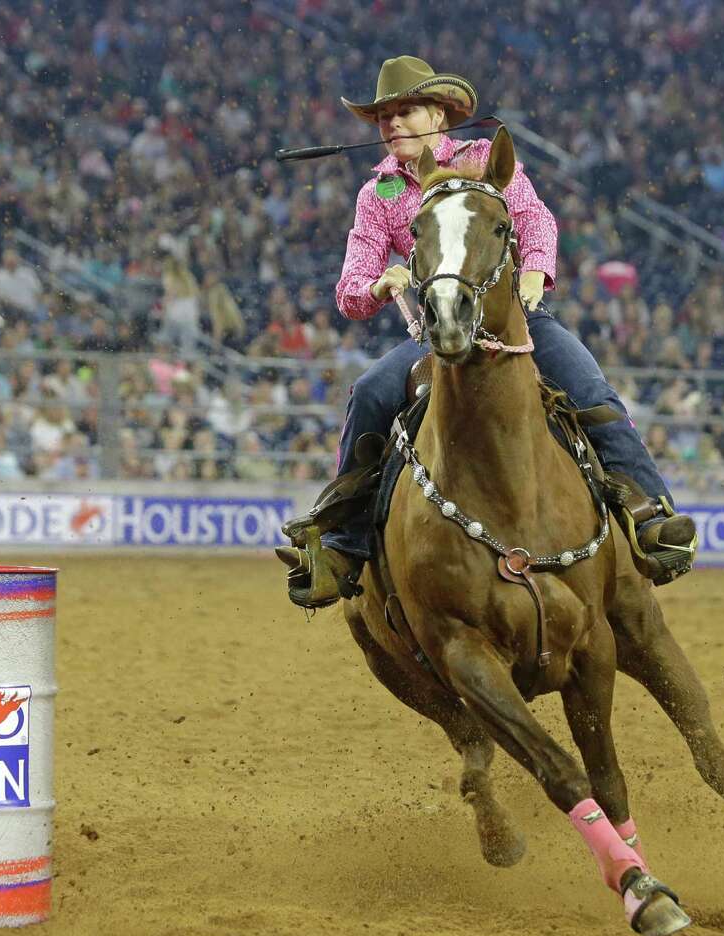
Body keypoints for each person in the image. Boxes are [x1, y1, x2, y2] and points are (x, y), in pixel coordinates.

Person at [279, 57, 697, 608]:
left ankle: (650, 517)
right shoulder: (376, 194)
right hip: (440, 332)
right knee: (369, 393)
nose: (392, 125)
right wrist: (380, 283)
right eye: (384, 117)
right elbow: (350, 288)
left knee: (592, 393)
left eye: (406, 111)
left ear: (439, 115)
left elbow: (536, 220)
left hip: (516, 321)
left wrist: (534, 271)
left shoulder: (483, 159)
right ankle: (342, 546)